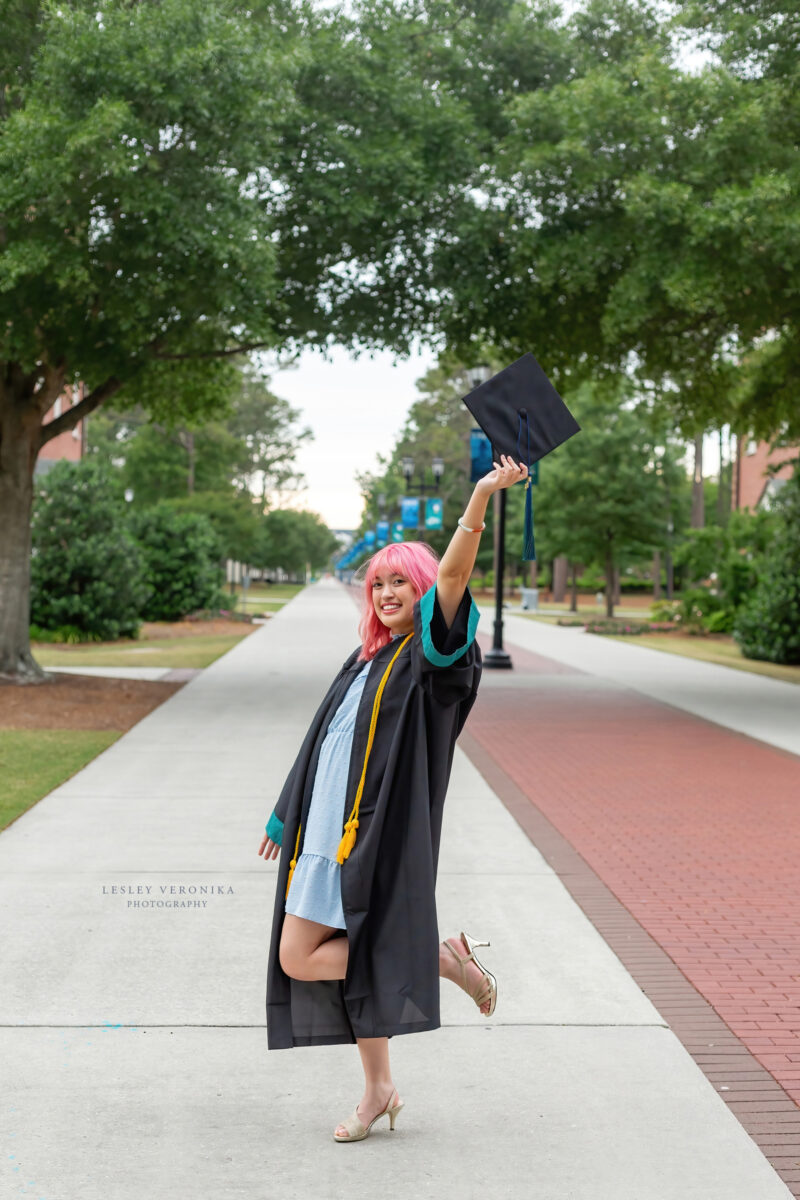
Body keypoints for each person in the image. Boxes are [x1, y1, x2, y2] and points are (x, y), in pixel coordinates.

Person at [257, 454, 528, 1142]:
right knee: (300, 956)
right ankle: (381, 1083)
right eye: (376, 582)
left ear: (422, 589)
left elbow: (460, 574)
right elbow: (324, 742)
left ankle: (432, 961)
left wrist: (479, 499)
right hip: (322, 837)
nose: (384, 592)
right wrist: (285, 814)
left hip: (373, 836)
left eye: (399, 582)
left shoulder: (431, 661)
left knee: (318, 954)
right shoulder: (365, 660)